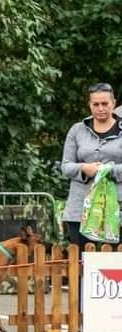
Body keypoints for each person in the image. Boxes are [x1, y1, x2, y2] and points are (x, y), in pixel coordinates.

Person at [61, 82, 122, 247]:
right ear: (90, 105)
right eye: (96, 104)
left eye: (105, 104)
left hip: (116, 209)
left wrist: (108, 170)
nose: (100, 108)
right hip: (80, 210)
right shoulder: (77, 130)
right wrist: (84, 168)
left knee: (115, 267)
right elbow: (65, 166)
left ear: (113, 103)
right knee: (82, 264)